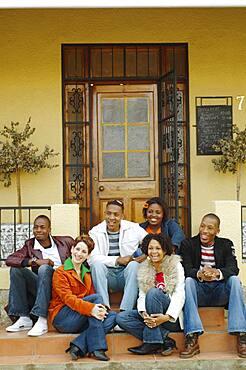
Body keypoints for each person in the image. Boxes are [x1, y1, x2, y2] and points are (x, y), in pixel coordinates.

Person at [179, 213, 246, 358]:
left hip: (220, 292)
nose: (204, 231)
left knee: (234, 280)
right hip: (199, 291)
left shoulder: (226, 244)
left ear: (217, 231)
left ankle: (241, 334)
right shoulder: (188, 244)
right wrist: (199, 274)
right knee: (189, 281)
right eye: (202, 226)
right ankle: (192, 336)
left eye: (210, 228)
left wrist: (216, 273)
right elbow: (185, 269)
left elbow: (233, 268)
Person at [49, 235, 116, 361]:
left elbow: (90, 300)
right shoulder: (61, 272)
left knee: (112, 317)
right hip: (63, 318)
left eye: (84, 251)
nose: (79, 254)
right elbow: (68, 299)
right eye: (78, 249)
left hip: (79, 315)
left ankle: (78, 345)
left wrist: (97, 310)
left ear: (88, 256)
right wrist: (92, 309)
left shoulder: (87, 273)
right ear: (72, 249)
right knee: (97, 299)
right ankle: (97, 348)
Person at [116, 233, 185, 355]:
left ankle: (150, 342)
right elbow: (142, 295)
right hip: (151, 314)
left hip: (169, 318)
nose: (154, 252)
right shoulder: (144, 268)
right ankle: (165, 340)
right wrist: (143, 313)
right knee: (121, 318)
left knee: (153, 292)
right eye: (150, 248)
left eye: (158, 248)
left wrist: (166, 317)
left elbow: (179, 294)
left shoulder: (175, 265)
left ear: (164, 250)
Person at [5, 215, 74, 336]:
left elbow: (81, 255)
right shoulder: (30, 245)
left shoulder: (65, 242)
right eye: (36, 227)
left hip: (61, 286)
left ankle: (42, 319)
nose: (38, 230)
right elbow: (10, 259)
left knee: (45, 269)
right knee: (17, 270)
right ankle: (24, 317)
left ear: (49, 229)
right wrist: (34, 261)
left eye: (42, 227)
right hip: (42, 287)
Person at [88, 199, 147, 311]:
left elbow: (151, 242)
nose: (112, 218)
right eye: (109, 213)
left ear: (122, 216)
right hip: (107, 274)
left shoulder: (133, 228)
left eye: (116, 214)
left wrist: (142, 258)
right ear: (105, 214)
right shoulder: (95, 232)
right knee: (96, 265)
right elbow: (92, 259)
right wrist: (118, 260)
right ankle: (104, 310)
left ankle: (125, 312)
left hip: (126, 274)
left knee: (134, 266)